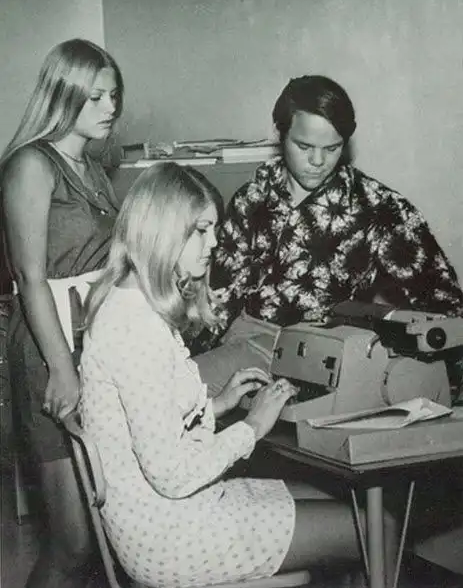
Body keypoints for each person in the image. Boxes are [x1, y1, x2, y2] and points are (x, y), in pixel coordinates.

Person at [79, 161, 399, 588]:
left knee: (344, 507)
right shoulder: (137, 330)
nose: (214, 242)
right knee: (378, 526)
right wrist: (252, 426)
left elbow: (149, 419)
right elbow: (172, 475)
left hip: (158, 518)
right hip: (172, 536)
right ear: (162, 233)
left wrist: (217, 404)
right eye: (202, 230)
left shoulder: (128, 304)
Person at [192, 74, 463, 395]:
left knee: (176, 391)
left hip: (316, 351)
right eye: (304, 146)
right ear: (281, 134)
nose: (318, 161)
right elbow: (218, 300)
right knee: (169, 382)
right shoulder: (251, 198)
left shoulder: (378, 209)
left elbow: (446, 305)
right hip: (239, 338)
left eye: (332, 148)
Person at [1, 38, 124, 588]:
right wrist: (62, 368)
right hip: (50, 350)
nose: (110, 107)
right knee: (72, 543)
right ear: (62, 94)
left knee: (99, 536)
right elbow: (29, 278)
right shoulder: (32, 164)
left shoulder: (94, 167)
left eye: (114, 95)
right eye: (96, 96)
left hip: (92, 342)